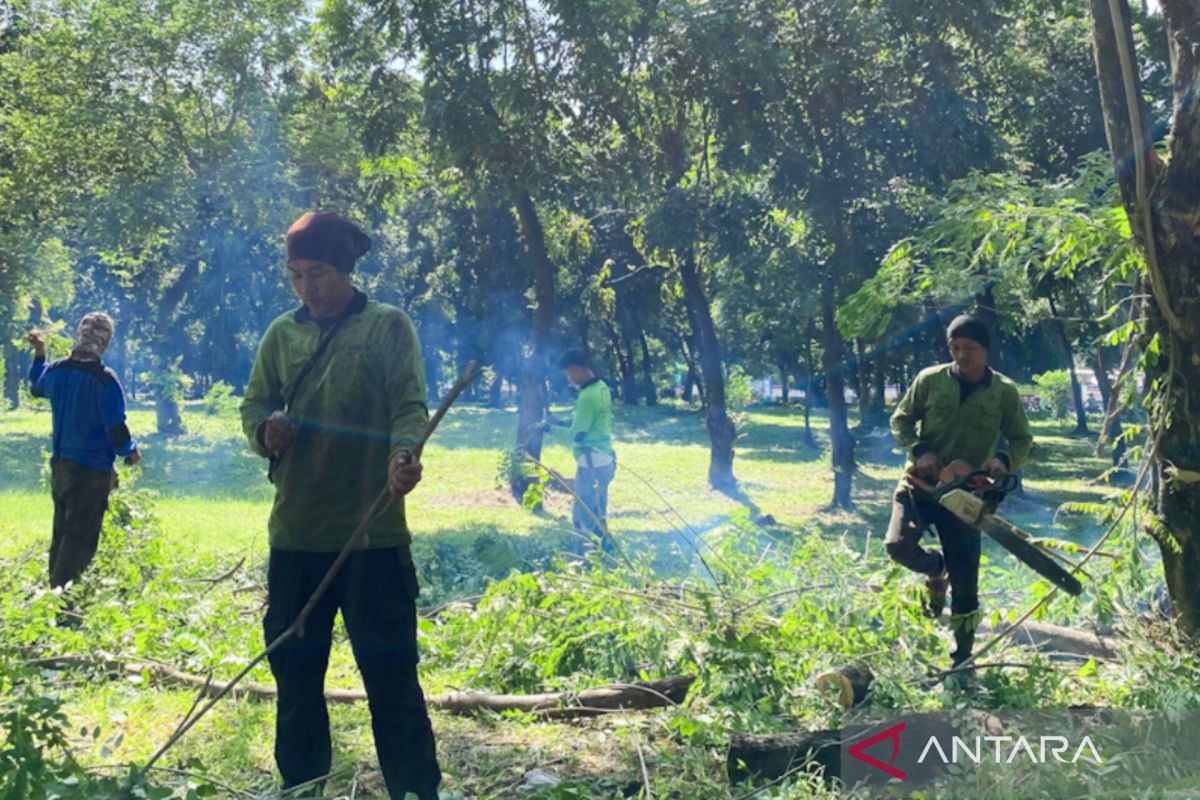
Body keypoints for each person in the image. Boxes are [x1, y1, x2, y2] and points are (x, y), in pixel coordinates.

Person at [239, 211, 441, 799]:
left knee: (392, 678)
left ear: (346, 270)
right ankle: (303, 789)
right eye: (297, 275)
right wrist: (264, 432)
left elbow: (409, 405)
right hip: (297, 535)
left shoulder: (388, 327)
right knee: (296, 679)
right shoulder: (282, 334)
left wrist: (404, 455)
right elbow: (253, 406)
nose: (308, 287)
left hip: (372, 536)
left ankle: (415, 791)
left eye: (319, 273)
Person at [885, 314, 1032, 676]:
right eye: (955, 348)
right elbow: (901, 419)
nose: (962, 356)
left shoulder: (1003, 392)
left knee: (967, 583)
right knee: (897, 546)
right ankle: (936, 569)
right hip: (921, 485)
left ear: (985, 350)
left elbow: (1020, 438)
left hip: (966, 496)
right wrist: (920, 450)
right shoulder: (930, 380)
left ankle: (963, 660)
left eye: (970, 349)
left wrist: (1001, 460)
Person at [27, 312, 140, 590]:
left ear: (81, 335)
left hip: (61, 467)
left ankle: (51, 597)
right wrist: (130, 451)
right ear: (104, 342)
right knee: (80, 540)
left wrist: (40, 353)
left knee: (62, 531)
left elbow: (36, 386)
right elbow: (115, 427)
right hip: (90, 473)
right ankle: (62, 602)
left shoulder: (56, 371)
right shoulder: (105, 381)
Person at [551, 348, 616, 550]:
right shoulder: (601, 387)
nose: (569, 378)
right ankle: (606, 550)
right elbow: (587, 421)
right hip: (606, 459)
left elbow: (578, 436)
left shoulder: (587, 396)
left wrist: (549, 429)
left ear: (576, 369)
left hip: (590, 463)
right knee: (598, 510)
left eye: (568, 373)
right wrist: (562, 422)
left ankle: (588, 554)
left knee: (583, 515)